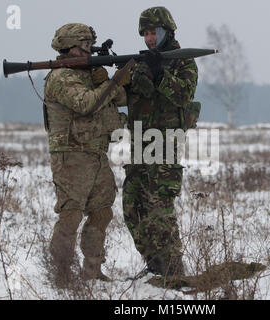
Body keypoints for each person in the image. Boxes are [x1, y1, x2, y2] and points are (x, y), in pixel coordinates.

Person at [44, 23, 130, 287]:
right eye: (84, 46)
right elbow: (86, 104)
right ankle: (61, 273)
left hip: (95, 153)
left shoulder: (88, 75)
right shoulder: (61, 78)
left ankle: (92, 270)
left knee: (102, 211)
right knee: (71, 215)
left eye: (90, 45)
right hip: (71, 155)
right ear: (68, 47)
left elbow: (121, 99)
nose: (89, 50)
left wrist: (107, 80)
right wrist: (113, 81)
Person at [123, 7, 199, 278]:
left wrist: (159, 75)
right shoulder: (142, 62)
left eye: (154, 32)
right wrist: (125, 78)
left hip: (165, 143)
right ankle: (155, 264)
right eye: (145, 33)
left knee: (159, 208)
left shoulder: (183, 61)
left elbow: (182, 95)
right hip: (140, 143)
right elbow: (129, 98)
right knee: (132, 205)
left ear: (167, 30)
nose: (150, 38)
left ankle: (174, 269)